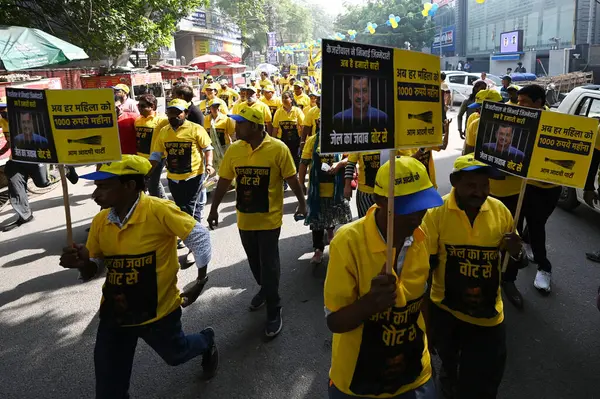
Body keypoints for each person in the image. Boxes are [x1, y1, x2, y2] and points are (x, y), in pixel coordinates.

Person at [59, 155, 218, 398]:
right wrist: (83, 264)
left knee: (177, 354)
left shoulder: (159, 210)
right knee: (108, 389)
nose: (95, 195)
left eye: (104, 186)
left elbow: (199, 236)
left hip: (159, 312)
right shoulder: (101, 221)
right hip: (115, 314)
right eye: (96, 187)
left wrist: (200, 280)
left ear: (129, 186)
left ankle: (206, 340)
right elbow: (97, 266)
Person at [324, 156, 443, 399]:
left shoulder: (422, 233)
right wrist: (370, 303)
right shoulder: (346, 242)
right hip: (358, 381)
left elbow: (422, 299)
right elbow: (335, 322)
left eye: (421, 205)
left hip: (414, 375)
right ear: (379, 200)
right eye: (406, 205)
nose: (416, 216)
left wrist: (427, 343)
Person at [423, 154, 524, 399]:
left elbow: (515, 260)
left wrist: (516, 251)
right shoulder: (436, 213)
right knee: (450, 363)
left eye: (485, 186)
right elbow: (426, 267)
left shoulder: (500, 211)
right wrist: (426, 322)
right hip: (445, 310)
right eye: (471, 185)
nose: (479, 192)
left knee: (485, 379)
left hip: (488, 315)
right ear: (455, 182)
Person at [207, 106, 308, 337]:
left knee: (269, 263)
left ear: (254, 126)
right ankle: (265, 289)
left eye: (240, 123)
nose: (235, 127)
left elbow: (292, 178)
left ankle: (274, 308)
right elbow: (224, 180)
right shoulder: (235, 150)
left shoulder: (278, 148)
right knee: (254, 262)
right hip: (245, 219)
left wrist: (302, 203)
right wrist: (213, 209)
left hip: (269, 219)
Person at [514, 84, 560, 293]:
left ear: (539, 103)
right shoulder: (516, 116)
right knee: (513, 223)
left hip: (548, 186)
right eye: (518, 102)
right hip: (520, 184)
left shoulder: (557, 123)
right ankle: (513, 264)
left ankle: (544, 267)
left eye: (524, 102)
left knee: (537, 225)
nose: (519, 105)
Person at [150, 99, 214, 224]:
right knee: (181, 207)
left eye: (177, 112)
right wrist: (148, 171)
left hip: (194, 176)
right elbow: (156, 154)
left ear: (186, 113)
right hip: (173, 178)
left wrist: (210, 164)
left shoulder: (196, 129)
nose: (173, 115)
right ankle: (189, 233)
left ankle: (195, 235)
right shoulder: (164, 131)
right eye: (170, 112)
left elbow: (208, 148)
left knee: (192, 208)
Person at [298, 127, 352, 264]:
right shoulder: (312, 141)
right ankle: (318, 249)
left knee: (332, 214)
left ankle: (330, 231)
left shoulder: (341, 139)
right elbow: (304, 163)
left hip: (335, 189)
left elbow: (350, 159)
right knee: (316, 220)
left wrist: (339, 164)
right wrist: (301, 184)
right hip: (317, 190)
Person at [134, 94, 169, 199]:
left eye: (142, 106)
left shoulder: (162, 120)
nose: (139, 108)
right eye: (138, 105)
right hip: (141, 158)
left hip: (156, 159)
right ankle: (165, 203)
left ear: (152, 106)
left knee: (152, 185)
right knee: (153, 184)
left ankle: (161, 206)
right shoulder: (137, 120)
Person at [272, 91, 305, 168]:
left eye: (286, 97)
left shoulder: (297, 111)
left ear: (291, 99)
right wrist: (273, 141)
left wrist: (303, 140)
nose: (284, 99)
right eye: (282, 98)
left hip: (296, 140)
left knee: (295, 158)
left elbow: (303, 126)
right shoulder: (278, 112)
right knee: (283, 159)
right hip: (282, 140)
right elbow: (275, 128)